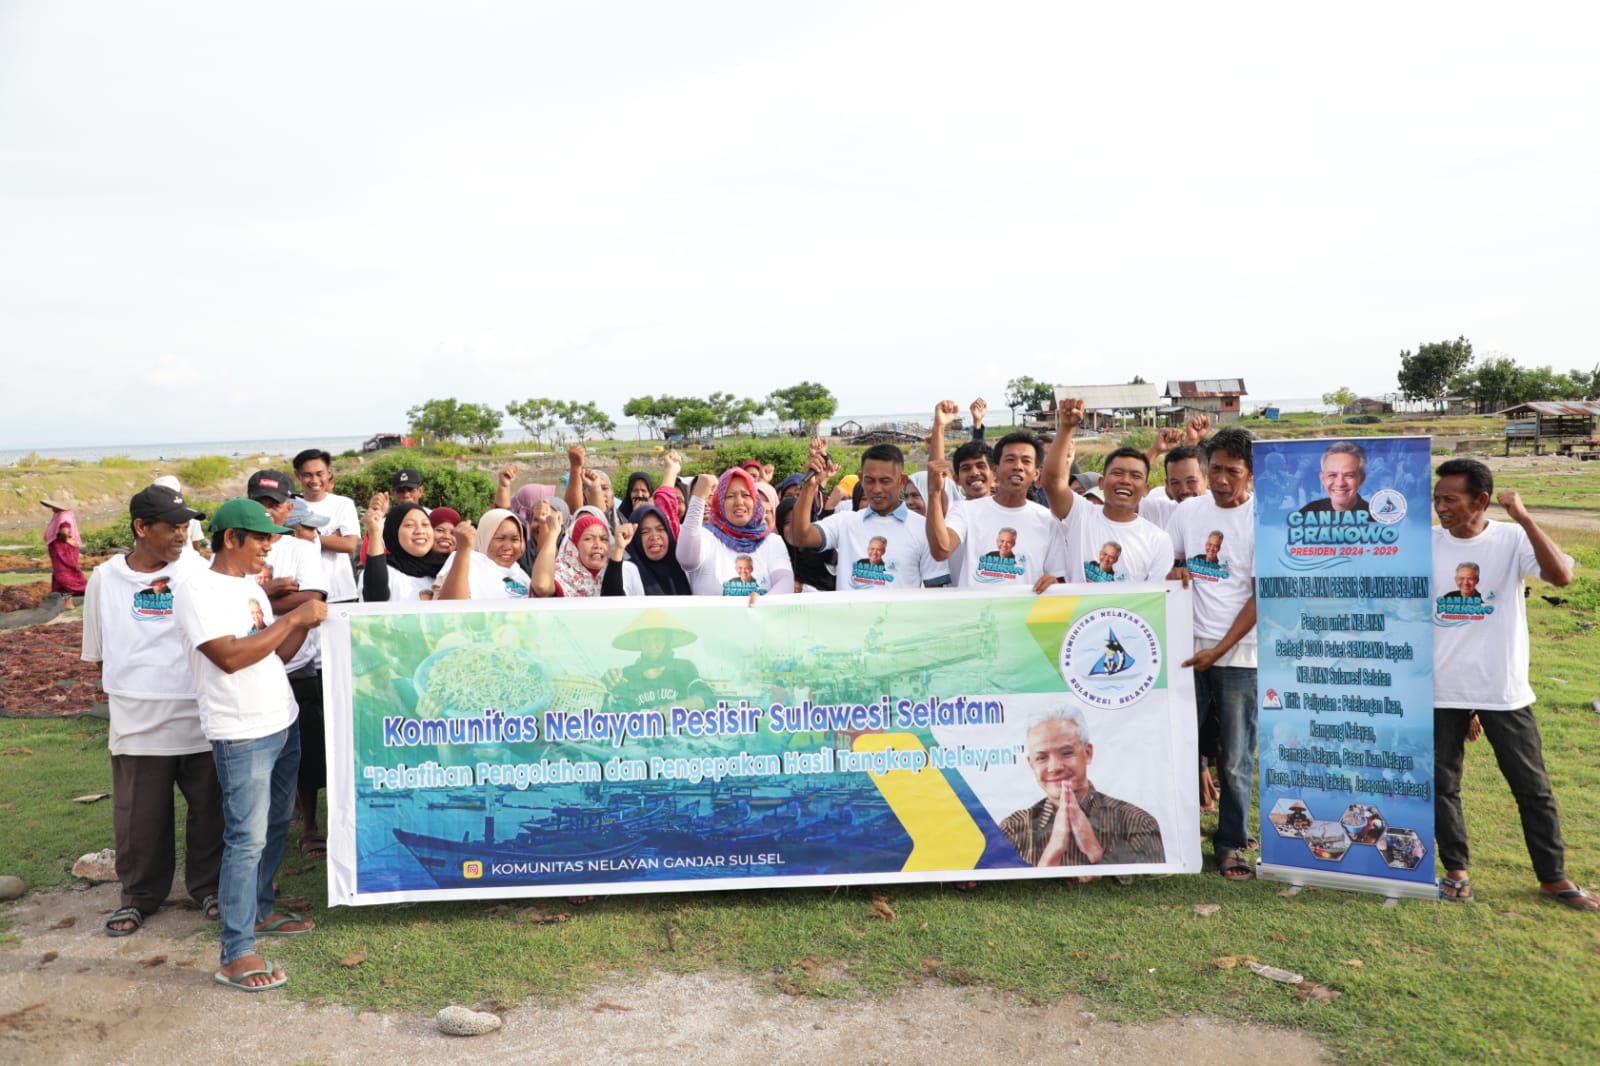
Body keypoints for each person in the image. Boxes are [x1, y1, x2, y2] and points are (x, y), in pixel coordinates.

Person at [174, 498, 328, 992]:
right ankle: (235, 951)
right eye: (260, 537)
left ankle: (259, 912)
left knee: (276, 824)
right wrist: (294, 617)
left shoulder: (247, 587)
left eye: (272, 537)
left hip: (281, 720)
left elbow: (273, 653)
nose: (270, 545)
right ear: (229, 538)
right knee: (246, 839)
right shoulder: (196, 589)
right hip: (241, 731)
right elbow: (230, 658)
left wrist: (300, 625)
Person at [1430, 458, 1596, 910]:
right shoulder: (1426, 544)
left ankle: (1553, 877)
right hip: (1440, 689)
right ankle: (1456, 871)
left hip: (1502, 688)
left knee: (1532, 786)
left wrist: (1524, 518)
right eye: (1437, 498)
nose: (1441, 507)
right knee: (1442, 785)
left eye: (1450, 499)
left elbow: (1561, 577)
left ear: (1480, 501)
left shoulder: (1512, 538)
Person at [81, 483, 221, 937]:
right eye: (172, 527)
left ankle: (211, 889)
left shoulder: (198, 573)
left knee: (210, 809)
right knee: (141, 817)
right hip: (138, 722)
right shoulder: (105, 579)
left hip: (200, 715)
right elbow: (99, 651)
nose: (183, 535)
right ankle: (139, 896)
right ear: (141, 527)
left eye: (187, 526)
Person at [1166, 426, 1258, 880]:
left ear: (1252, 475)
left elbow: (1260, 598)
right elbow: (1172, 564)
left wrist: (1219, 649)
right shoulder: (1187, 512)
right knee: (1178, 746)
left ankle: (1231, 843)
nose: (1221, 480)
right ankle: (1176, 835)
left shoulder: (1262, 520)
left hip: (1239, 657)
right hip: (1186, 652)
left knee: (1235, 757)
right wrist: (1176, 570)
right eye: (1215, 469)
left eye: (1233, 472)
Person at [925, 400, 1065, 591]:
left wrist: (1055, 583)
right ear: (996, 470)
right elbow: (941, 550)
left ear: (1036, 474)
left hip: (1024, 619)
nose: (1018, 466)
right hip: (974, 619)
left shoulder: (1049, 521)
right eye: (1010, 459)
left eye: (1026, 461)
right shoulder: (965, 511)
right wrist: (933, 493)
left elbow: (1059, 577)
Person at [999, 710, 1165, 867]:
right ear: (1031, 764)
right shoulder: (1013, 829)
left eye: (1066, 753)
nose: (1054, 767)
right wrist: (1053, 850)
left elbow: (1152, 889)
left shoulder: (1136, 822)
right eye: (1042, 757)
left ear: (1088, 753)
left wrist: (1094, 850)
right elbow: (1012, 894)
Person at [1042, 399, 1175, 586]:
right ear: (1101, 483)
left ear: (1146, 489)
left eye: (1135, 475)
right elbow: (1052, 482)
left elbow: (1156, 601)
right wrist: (1066, 427)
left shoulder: (1158, 540)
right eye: (1117, 473)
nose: (1125, 480)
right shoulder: (1080, 515)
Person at [787, 441, 942, 592]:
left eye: (885, 481)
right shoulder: (845, 522)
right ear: (861, 479)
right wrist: (810, 486)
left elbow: (934, 593)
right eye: (869, 480)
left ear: (902, 481)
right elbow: (801, 537)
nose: (876, 489)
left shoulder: (924, 529)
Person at [678, 468, 793, 598]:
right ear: (720, 502)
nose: (739, 502)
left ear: (755, 501)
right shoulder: (706, 537)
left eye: (746, 495)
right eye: (730, 496)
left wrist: (761, 603)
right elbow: (686, 560)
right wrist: (698, 497)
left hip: (760, 618)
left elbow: (785, 581)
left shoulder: (772, 542)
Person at [603, 609, 713, 714]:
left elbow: (707, 697)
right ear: (639, 643)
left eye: (657, 639)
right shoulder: (628, 674)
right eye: (645, 641)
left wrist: (676, 707)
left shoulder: (684, 668)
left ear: (667, 640)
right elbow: (608, 706)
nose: (652, 646)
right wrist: (606, 684)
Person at [292, 449, 360, 604]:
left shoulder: (343, 504)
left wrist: (306, 536)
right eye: (307, 475)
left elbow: (349, 545)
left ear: (329, 473)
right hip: (303, 594)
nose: (315, 480)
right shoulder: (290, 506)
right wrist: (332, 539)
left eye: (319, 473)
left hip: (342, 593)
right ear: (298, 476)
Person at [534, 507, 633, 598]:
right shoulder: (563, 576)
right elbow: (542, 586)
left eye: (604, 539)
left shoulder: (617, 573)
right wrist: (553, 532)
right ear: (574, 546)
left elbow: (613, 599)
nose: (597, 545)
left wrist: (619, 548)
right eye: (588, 539)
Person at [435, 509, 532, 600]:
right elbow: (451, 607)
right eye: (500, 538)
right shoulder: (465, 560)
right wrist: (463, 550)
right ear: (484, 538)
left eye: (515, 539)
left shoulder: (520, 574)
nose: (507, 547)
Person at [361, 496, 444, 603]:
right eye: (409, 525)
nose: (420, 531)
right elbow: (375, 599)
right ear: (393, 532)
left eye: (425, 524)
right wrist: (375, 533)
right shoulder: (383, 570)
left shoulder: (444, 570)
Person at [1140, 415, 1211, 529]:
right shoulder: (1161, 513)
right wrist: (1155, 451)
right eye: (1175, 483)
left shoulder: (1223, 510)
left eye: (1191, 481)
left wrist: (1193, 441)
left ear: (1208, 480)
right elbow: (1128, 499)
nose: (1184, 490)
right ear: (1167, 484)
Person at [623, 504, 692, 596]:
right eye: (644, 532)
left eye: (660, 529)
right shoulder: (627, 571)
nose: (654, 536)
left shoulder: (686, 567)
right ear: (634, 538)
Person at [1298, 441, 1370, 518]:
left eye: (1349, 475)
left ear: (1361, 479)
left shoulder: (1375, 517)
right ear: (1322, 479)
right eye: (1332, 475)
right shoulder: (1306, 514)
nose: (1340, 483)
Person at [41, 497, 87, 599]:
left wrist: (66, 540)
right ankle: (60, 591)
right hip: (61, 548)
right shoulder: (61, 515)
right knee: (59, 570)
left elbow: (64, 531)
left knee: (65, 570)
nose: (52, 508)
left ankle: (80, 588)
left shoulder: (64, 517)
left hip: (64, 549)